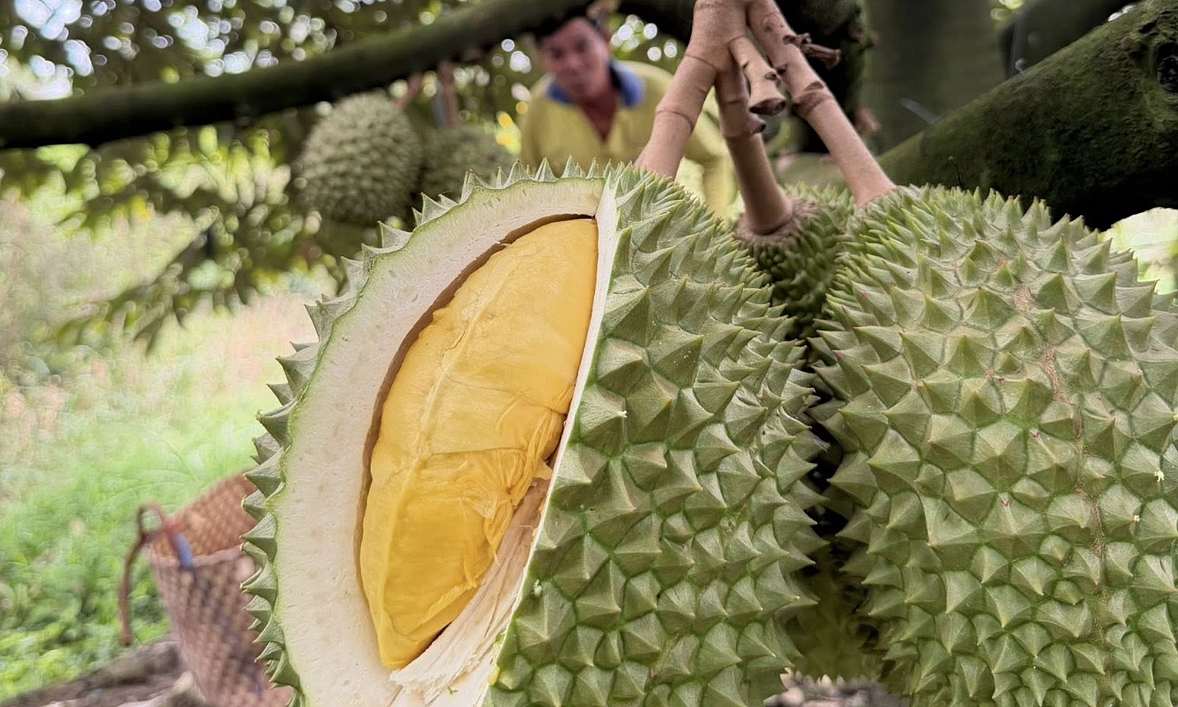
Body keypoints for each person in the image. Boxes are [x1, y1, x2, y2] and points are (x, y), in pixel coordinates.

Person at [517, 11, 736, 216]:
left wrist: (717, 223)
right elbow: (529, 190)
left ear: (605, 40)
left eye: (582, 47)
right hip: (580, 240)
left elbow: (713, 158)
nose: (573, 64)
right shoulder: (535, 111)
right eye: (556, 54)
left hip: (658, 226)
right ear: (541, 59)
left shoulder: (658, 90)